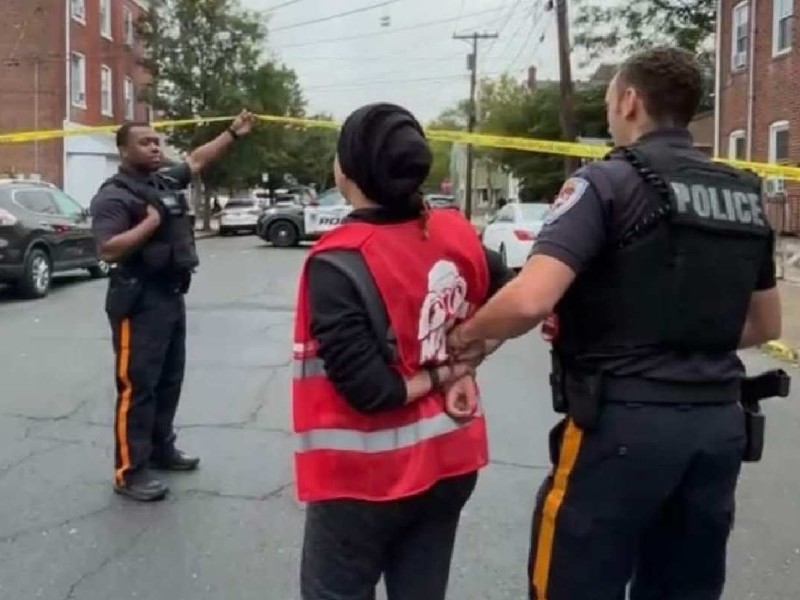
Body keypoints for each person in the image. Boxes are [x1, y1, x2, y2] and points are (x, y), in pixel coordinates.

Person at [447, 47, 781, 600]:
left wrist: (464, 339)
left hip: (622, 426)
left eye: (608, 102)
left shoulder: (607, 183)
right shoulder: (743, 194)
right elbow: (764, 322)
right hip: (718, 428)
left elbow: (532, 299)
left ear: (630, 101)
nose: (608, 113)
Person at [293, 102, 513, 600]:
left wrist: (442, 373)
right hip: (451, 460)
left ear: (347, 169)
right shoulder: (456, 231)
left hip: (364, 479)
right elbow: (513, 300)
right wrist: (468, 361)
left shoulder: (339, 261)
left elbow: (373, 392)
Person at [90, 110, 255, 502]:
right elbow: (108, 249)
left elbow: (197, 160)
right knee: (137, 386)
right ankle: (129, 471)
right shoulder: (114, 195)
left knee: (168, 379)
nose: (154, 147)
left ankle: (161, 449)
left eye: (157, 141)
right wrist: (151, 222)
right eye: (144, 142)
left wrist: (232, 132)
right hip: (137, 299)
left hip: (169, 294)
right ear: (123, 150)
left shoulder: (161, 181)